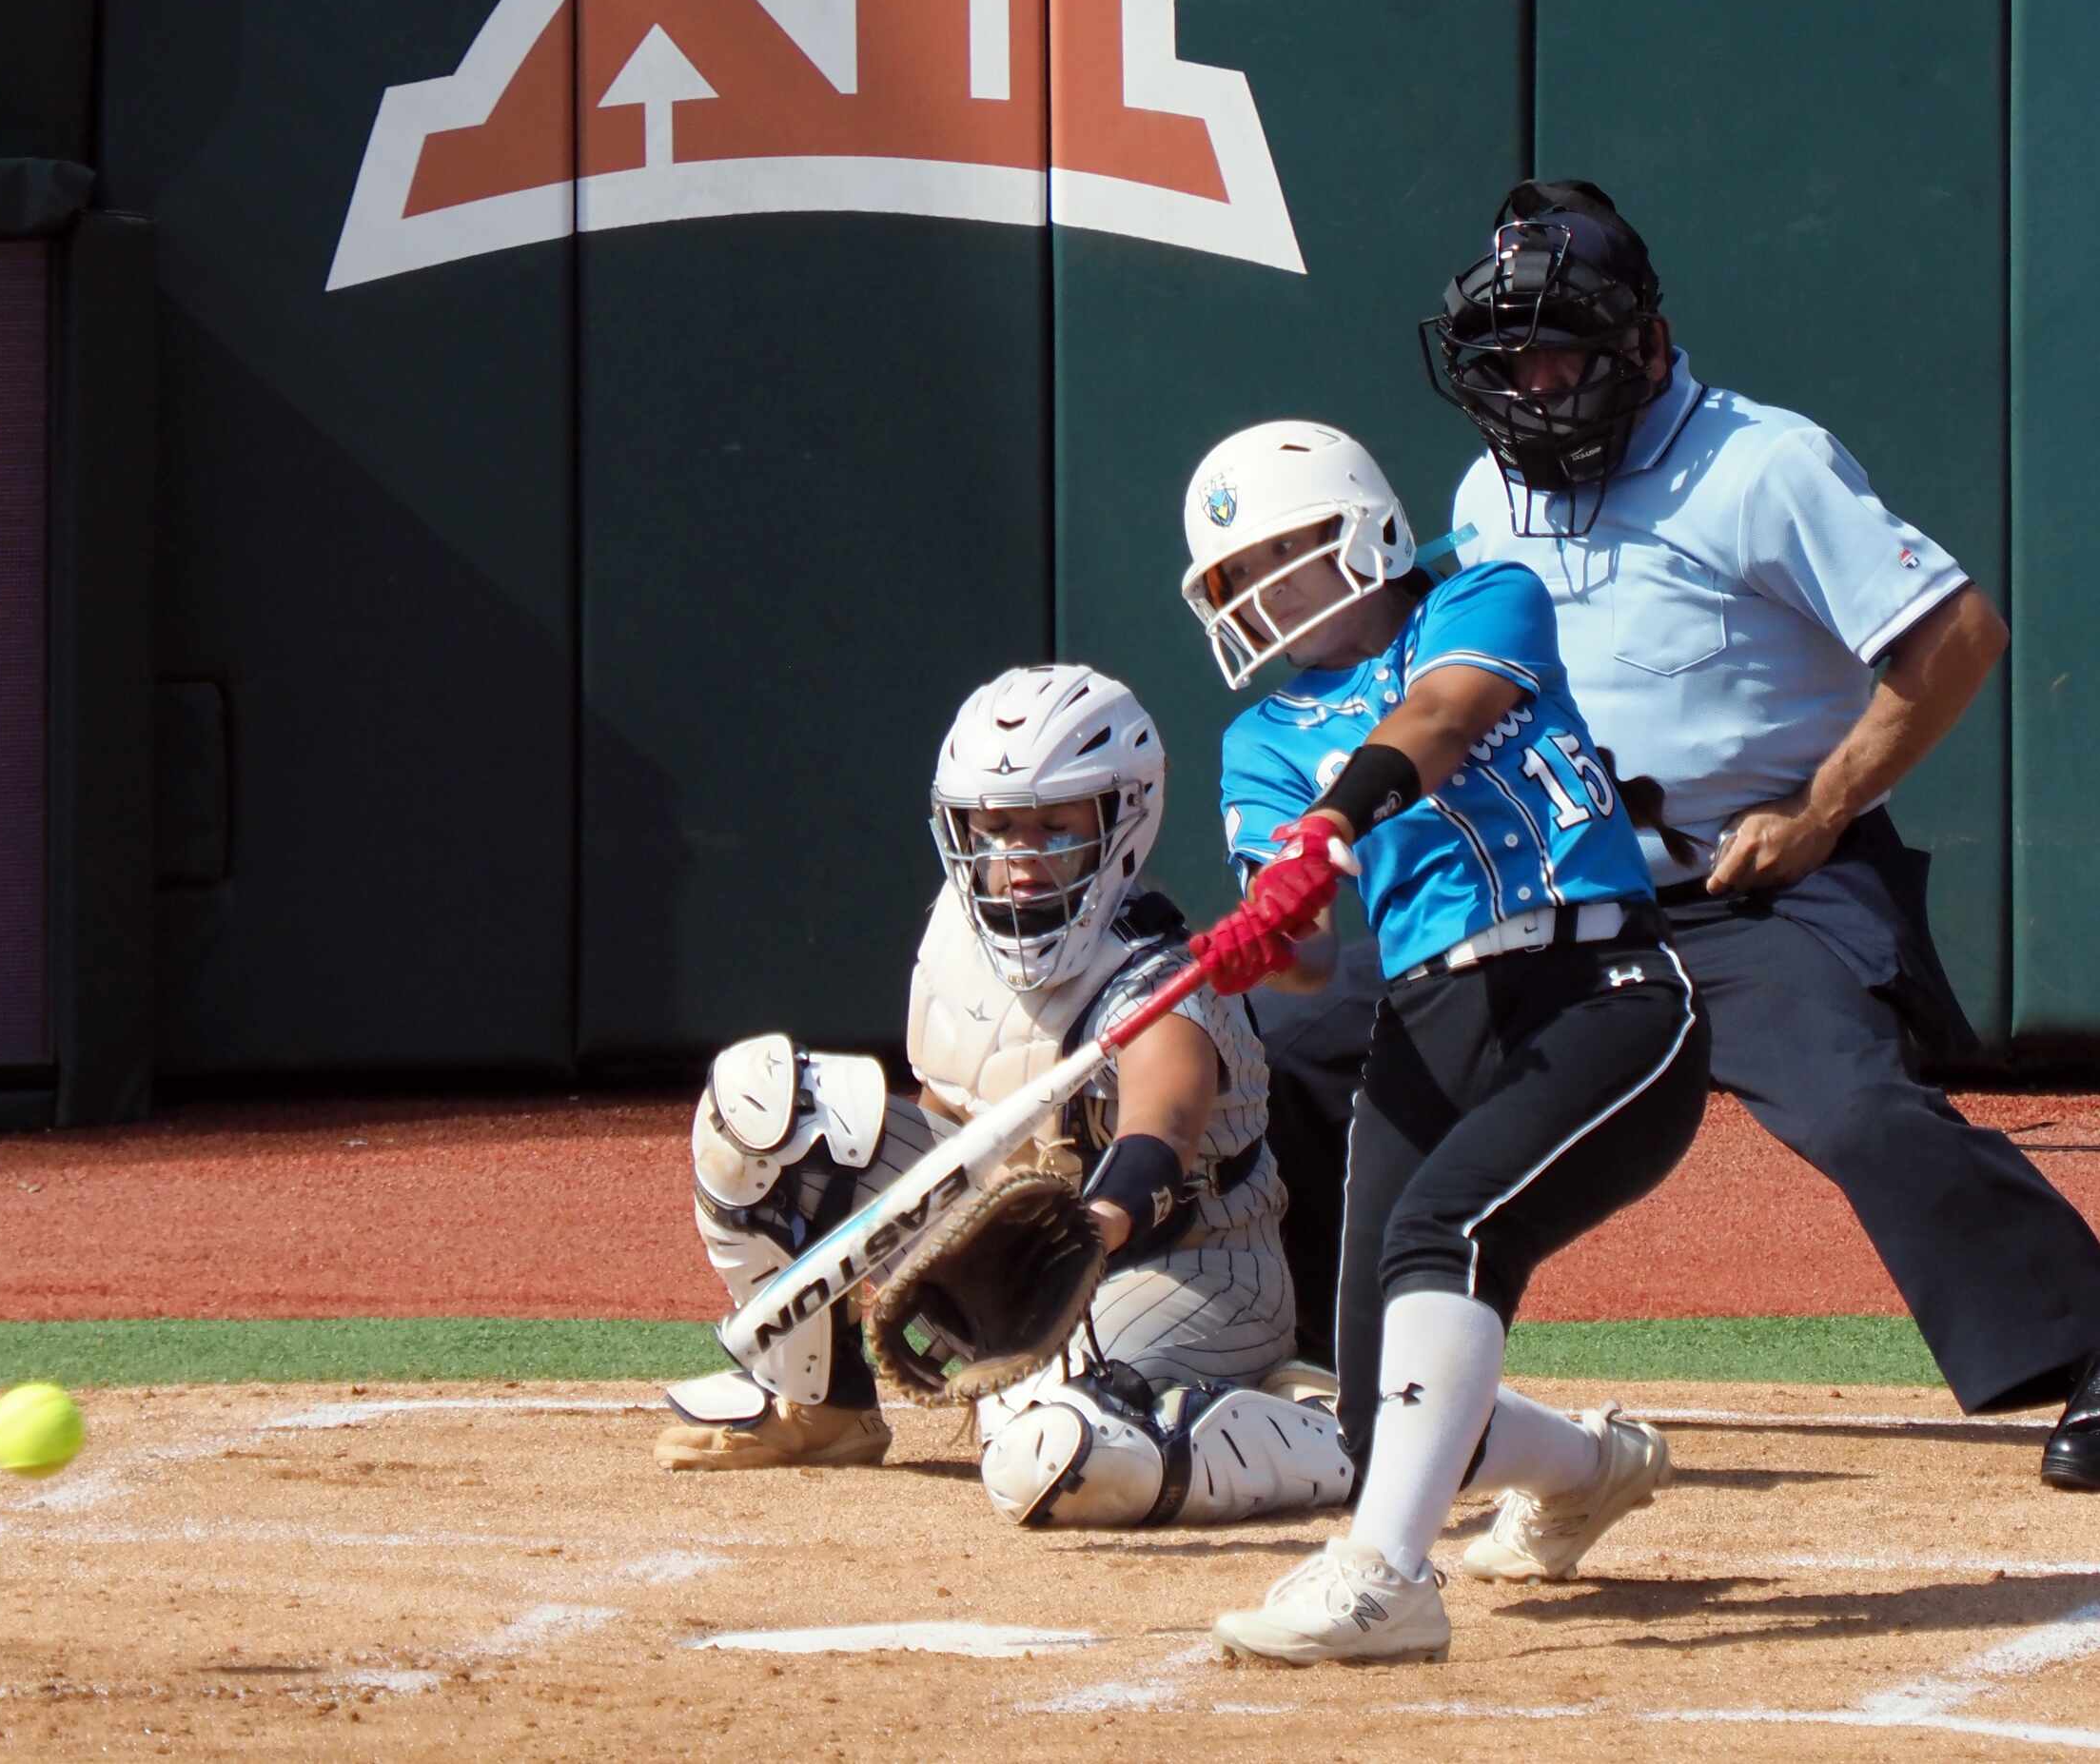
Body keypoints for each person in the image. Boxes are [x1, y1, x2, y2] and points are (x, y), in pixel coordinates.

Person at [1406, 177, 2100, 1492]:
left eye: (1559, 347)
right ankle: (1306, 1350)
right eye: (1507, 354)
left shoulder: (1757, 463)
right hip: (1572, 886)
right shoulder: (1487, 491)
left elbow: (1955, 637)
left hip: (1758, 884)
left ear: (1645, 343)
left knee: (1851, 1106)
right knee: (1380, 1060)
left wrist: (1819, 808)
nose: (1532, 381)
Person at [1174, 420, 1712, 1664]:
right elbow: (1306, 952)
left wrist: (1328, 826)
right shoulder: (1258, 739)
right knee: (1382, 1409)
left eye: (1271, 561)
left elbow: (1443, 714)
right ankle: (1586, 1469)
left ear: (1352, 529)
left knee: (1445, 1234)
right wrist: (1273, 935)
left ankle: (1384, 1572)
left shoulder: (1481, 597)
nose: (1250, 601)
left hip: (1595, 980)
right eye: (1227, 583)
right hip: (1427, 1022)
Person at [653, 662, 1354, 1528]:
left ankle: (1324, 1436)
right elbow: (948, 1105)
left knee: (1050, 1459)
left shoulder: (1159, 976)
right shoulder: (955, 924)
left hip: (1186, 1264)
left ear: (1118, 823)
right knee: (765, 1112)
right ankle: (817, 1405)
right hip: (1014, 1222)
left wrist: (1074, 1240)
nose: (1019, 859)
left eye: (1054, 828)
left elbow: (1159, 1134)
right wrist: (938, 1234)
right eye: (996, 831)